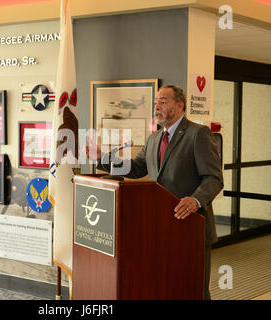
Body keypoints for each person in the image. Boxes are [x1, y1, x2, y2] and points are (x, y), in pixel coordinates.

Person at [85, 84, 223, 300]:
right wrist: (102, 158)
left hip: (190, 227)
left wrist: (196, 200)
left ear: (180, 105)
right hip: (160, 228)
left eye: (163, 101)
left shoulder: (198, 134)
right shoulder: (155, 138)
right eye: (155, 101)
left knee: (193, 289)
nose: (156, 106)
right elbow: (138, 168)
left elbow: (214, 178)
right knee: (167, 285)